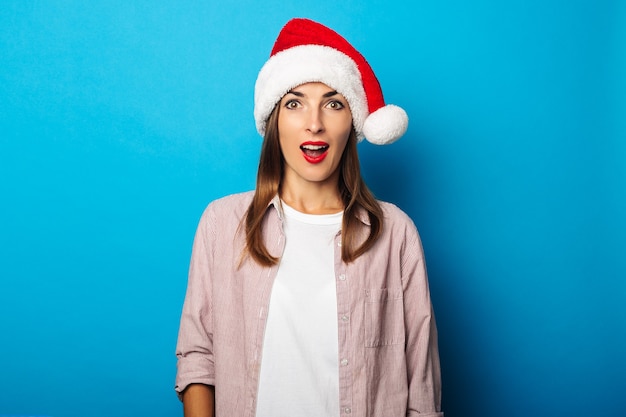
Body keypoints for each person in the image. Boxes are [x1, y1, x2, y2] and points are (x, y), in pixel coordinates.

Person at [175, 17, 443, 417]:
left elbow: (421, 384)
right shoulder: (222, 223)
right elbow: (198, 357)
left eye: (333, 104)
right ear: (273, 121)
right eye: (295, 103)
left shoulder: (395, 232)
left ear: (352, 122)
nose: (314, 123)